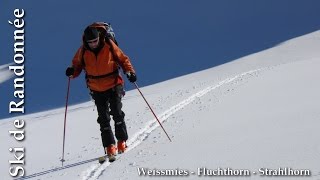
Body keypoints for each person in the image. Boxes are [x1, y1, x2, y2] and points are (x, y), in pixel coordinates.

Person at [65, 23, 137, 160]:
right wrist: (72, 72)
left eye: (95, 41)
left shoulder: (109, 45)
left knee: (117, 112)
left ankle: (122, 141)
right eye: (90, 42)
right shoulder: (83, 51)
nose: (93, 44)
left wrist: (130, 72)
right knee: (103, 119)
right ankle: (110, 145)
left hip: (114, 84)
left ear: (99, 38)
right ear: (86, 41)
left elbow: (123, 59)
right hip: (96, 88)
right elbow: (76, 65)